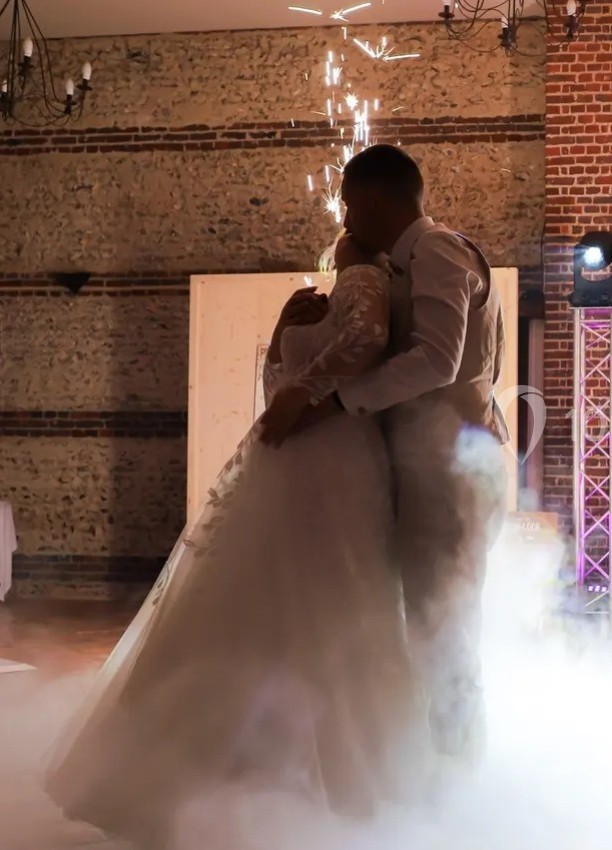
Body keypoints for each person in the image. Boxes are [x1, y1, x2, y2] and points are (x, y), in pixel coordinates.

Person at [44, 236, 424, 848]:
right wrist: (280, 338)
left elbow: (365, 343)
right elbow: (279, 381)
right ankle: (212, 773)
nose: (341, 226)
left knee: (323, 604)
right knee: (251, 598)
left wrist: (302, 395)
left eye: (351, 213)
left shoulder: (365, 280)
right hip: (293, 456)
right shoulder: (323, 298)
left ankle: (326, 783)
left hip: (335, 459)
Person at [264, 144, 509, 769]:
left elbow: (437, 360)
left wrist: (331, 403)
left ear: (374, 200)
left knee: (444, 630)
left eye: (348, 206)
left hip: (451, 468)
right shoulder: (407, 263)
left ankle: (457, 784)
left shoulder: (437, 251)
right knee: (420, 627)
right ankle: (422, 768)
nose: (345, 221)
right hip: (429, 463)